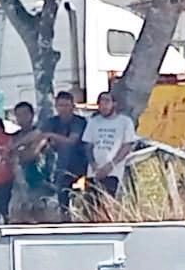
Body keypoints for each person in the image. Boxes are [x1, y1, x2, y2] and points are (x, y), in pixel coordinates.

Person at [9, 102, 60, 225]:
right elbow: (8, 156)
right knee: (18, 221)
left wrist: (18, 151)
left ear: (32, 115)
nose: (22, 118)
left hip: (41, 184)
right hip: (20, 186)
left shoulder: (41, 133)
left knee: (43, 222)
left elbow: (31, 153)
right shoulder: (14, 137)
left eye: (25, 114)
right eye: (19, 115)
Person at [82, 91, 138, 198]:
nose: (103, 106)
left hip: (113, 172)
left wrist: (110, 166)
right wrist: (93, 164)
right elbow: (88, 145)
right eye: (101, 103)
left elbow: (127, 146)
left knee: (108, 201)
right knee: (91, 201)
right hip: (94, 172)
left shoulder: (125, 122)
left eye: (107, 102)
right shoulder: (93, 122)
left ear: (114, 104)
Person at [44, 90, 90, 219]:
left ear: (72, 106)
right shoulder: (52, 122)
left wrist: (51, 135)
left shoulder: (79, 121)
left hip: (79, 167)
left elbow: (71, 141)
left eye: (66, 105)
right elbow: (40, 135)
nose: (63, 109)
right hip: (59, 168)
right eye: (60, 105)